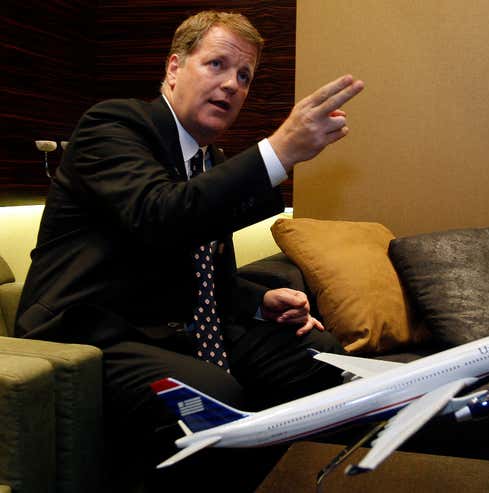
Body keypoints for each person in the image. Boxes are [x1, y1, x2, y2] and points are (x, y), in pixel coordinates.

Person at [15, 10, 364, 492]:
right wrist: (279, 151)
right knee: (210, 396)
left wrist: (258, 303)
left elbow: (201, 276)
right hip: (90, 330)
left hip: (167, 324)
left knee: (322, 361)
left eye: (244, 76)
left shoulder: (209, 161)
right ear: (174, 68)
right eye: (217, 65)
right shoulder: (113, 125)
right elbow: (162, 216)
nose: (232, 85)